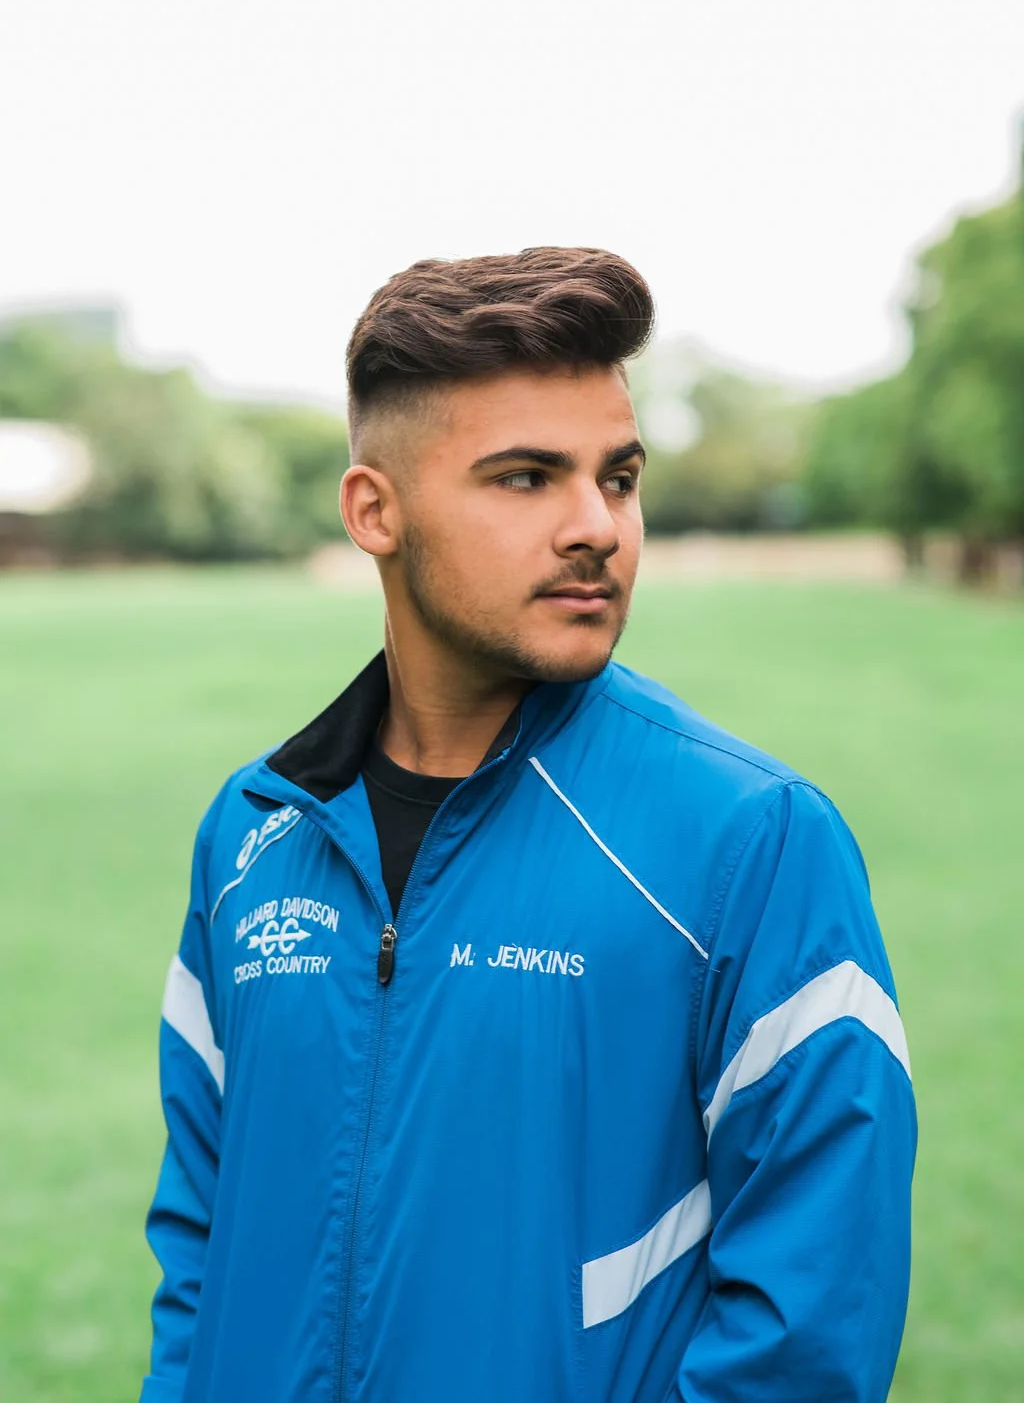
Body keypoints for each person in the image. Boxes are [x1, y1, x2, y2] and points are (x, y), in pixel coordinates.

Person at [140, 247, 917, 1403]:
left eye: (618, 476)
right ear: (374, 510)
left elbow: (807, 1336)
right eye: (524, 478)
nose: (595, 526)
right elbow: (200, 1254)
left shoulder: (753, 840)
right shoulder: (252, 838)